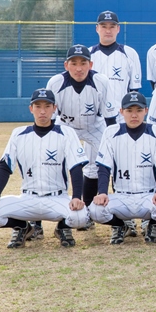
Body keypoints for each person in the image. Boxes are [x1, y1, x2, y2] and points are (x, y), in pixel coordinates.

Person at [0, 89, 90, 248]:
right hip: (28, 199)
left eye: (47, 106)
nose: (43, 111)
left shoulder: (67, 133)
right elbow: (5, 166)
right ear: (31, 108)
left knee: (82, 216)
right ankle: (23, 227)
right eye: (38, 106)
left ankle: (62, 228)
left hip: (57, 198)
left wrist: (77, 197)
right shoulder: (19, 134)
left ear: (55, 108)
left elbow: (76, 166)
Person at [89, 91, 156, 244]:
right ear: (121, 112)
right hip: (121, 196)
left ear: (146, 111)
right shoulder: (111, 132)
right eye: (129, 111)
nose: (134, 115)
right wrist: (102, 192)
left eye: (139, 110)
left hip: (148, 195)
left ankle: (153, 226)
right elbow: (103, 167)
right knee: (95, 210)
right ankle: (120, 226)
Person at [45, 44, 116, 216]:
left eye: (83, 63)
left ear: (90, 65)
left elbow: (110, 119)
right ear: (66, 65)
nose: (78, 68)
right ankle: (53, 208)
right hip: (66, 127)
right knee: (52, 164)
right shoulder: (55, 83)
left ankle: (94, 211)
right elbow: (49, 119)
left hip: (94, 126)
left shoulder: (102, 81)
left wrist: (113, 146)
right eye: (74, 63)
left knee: (111, 161)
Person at [89, 10, 142, 107]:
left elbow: (134, 90)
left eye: (112, 27)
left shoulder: (130, 53)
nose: (108, 31)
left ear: (118, 29)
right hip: (94, 115)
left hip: (120, 115)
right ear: (97, 28)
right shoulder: (88, 54)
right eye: (104, 26)